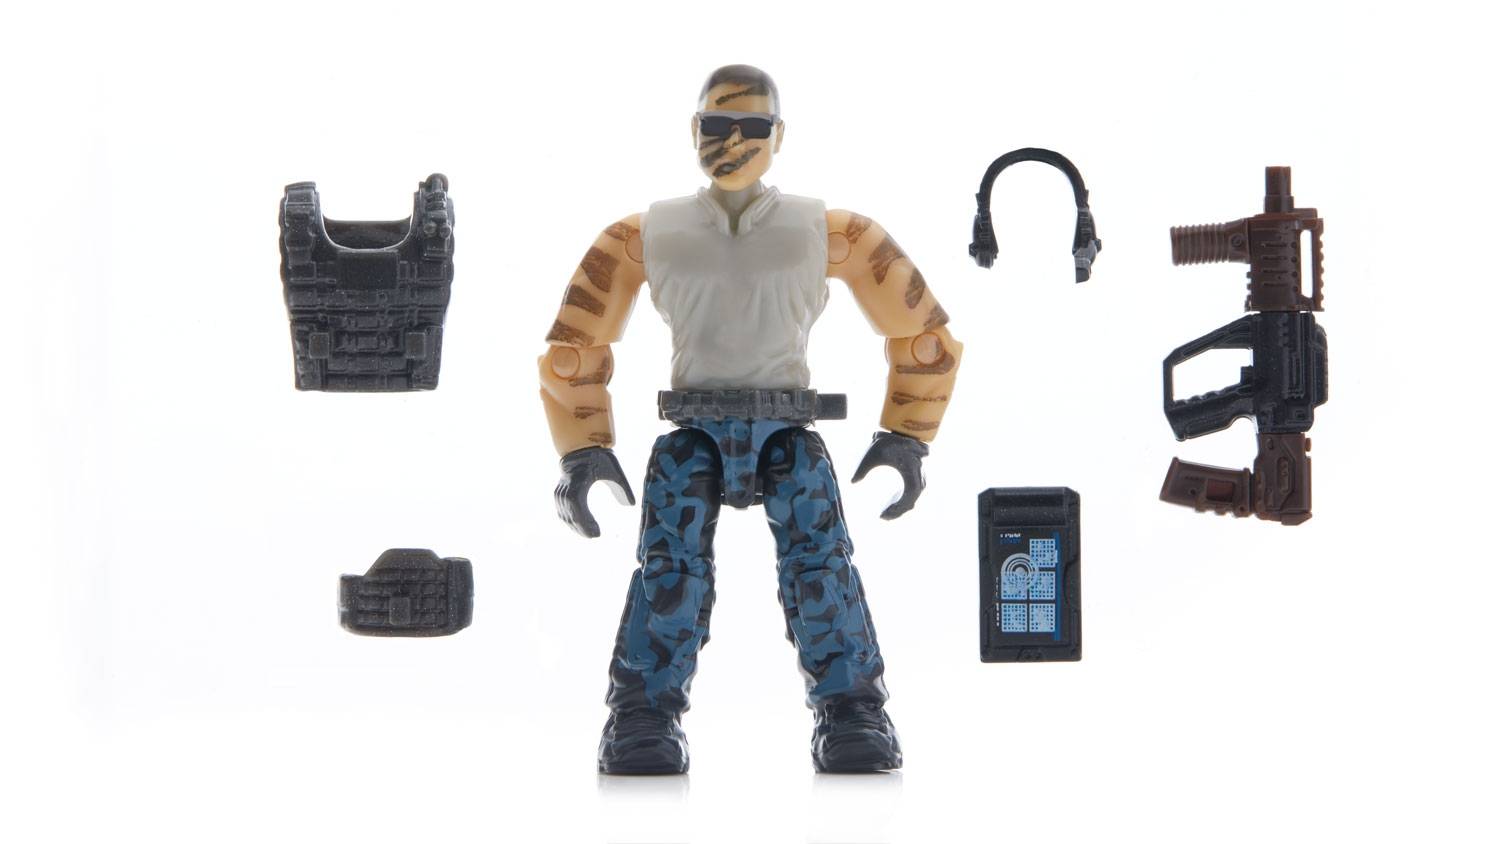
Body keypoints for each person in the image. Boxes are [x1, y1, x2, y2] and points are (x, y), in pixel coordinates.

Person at [539, 64, 962, 774]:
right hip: (693, 431)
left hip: (788, 431)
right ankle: (643, 714)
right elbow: (574, 351)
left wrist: (907, 435)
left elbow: (921, 337)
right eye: (716, 125)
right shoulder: (645, 234)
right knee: (669, 570)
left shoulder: (829, 230)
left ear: (779, 135)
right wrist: (581, 448)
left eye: (753, 127)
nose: (733, 142)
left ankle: (851, 708)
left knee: (820, 566)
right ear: (693, 130)